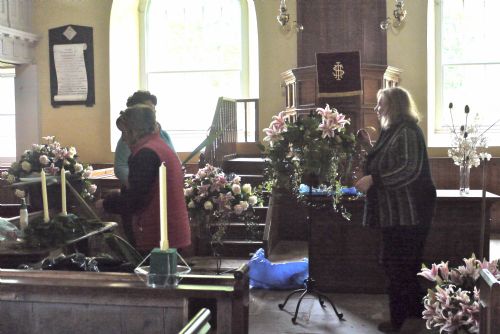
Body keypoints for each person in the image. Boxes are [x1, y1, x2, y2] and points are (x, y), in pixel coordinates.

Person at [355, 87, 436, 333]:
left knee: (401, 267)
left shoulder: (408, 131)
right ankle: (408, 318)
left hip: (409, 214)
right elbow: (388, 162)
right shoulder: (391, 131)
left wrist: (373, 180)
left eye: (381, 104)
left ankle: (404, 321)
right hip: (395, 213)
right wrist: (369, 147)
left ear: (395, 106)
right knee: (397, 266)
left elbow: (408, 169)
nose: (376, 109)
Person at [97, 104, 191, 255]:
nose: (124, 138)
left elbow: (136, 200)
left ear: (133, 131)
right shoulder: (160, 146)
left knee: (153, 278)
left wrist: (106, 203)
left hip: (157, 234)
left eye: (124, 132)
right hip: (171, 231)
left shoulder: (145, 153)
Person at [114, 90, 176, 187]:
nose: (153, 113)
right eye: (148, 110)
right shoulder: (130, 139)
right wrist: (134, 182)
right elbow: (120, 167)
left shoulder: (162, 135)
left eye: (153, 110)